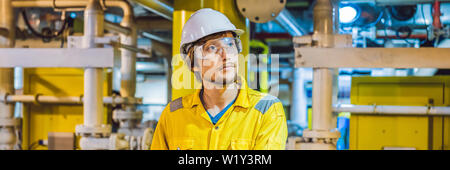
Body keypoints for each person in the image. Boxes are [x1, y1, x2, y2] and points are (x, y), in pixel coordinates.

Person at [150, 8, 287, 150]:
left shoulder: (267, 110)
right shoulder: (173, 115)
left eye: (230, 44)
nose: (226, 55)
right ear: (193, 63)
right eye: (212, 48)